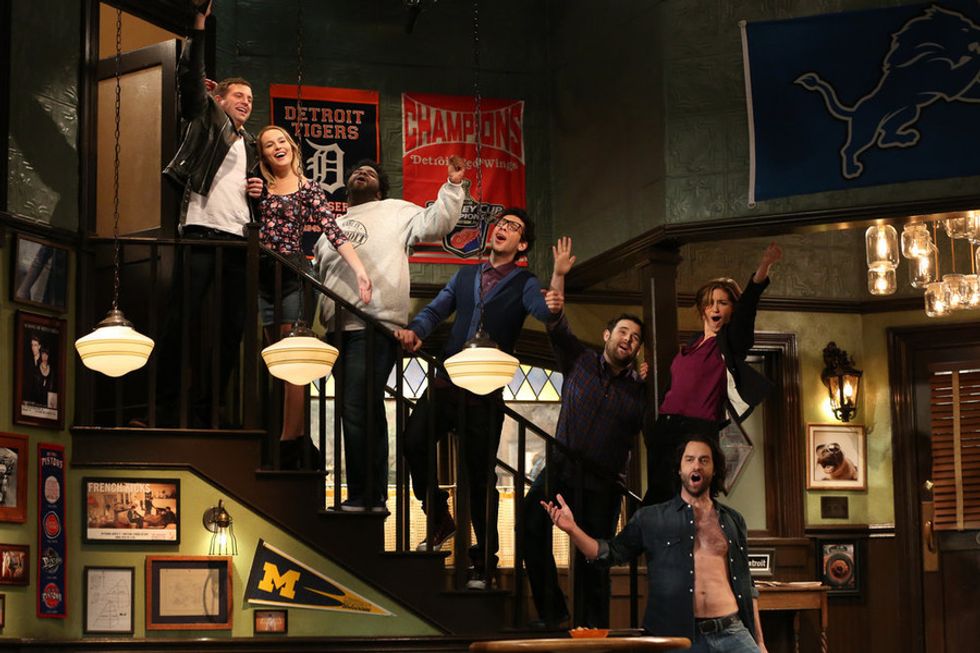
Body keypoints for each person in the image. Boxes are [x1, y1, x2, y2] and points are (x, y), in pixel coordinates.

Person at [393, 211, 566, 591]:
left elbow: (546, 312)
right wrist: (417, 331)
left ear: (522, 245)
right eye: (501, 223)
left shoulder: (524, 282)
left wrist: (557, 279)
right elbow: (437, 309)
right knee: (413, 440)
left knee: (479, 480)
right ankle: (439, 517)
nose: (503, 228)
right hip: (448, 382)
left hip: (485, 392)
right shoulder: (465, 275)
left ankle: (484, 564)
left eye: (513, 227)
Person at [314, 158, 466, 511]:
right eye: (356, 171)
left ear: (380, 189)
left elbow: (437, 223)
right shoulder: (331, 227)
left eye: (370, 172)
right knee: (358, 409)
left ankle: (367, 495)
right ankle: (371, 494)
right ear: (346, 188)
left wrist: (454, 186)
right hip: (337, 331)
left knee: (356, 407)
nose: (361, 172)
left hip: (375, 326)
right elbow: (321, 273)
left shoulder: (396, 211)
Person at [543, 435, 768, 652]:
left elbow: (746, 584)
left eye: (704, 460)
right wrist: (572, 529)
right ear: (679, 469)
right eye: (689, 459)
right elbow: (607, 553)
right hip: (679, 637)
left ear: (714, 469)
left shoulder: (733, 520)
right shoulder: (651, 518)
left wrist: (759, 642)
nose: (696, 466)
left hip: (732, 632)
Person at [149, 0, 257, 427]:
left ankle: (209, 407)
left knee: (231, 329)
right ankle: (164, 405)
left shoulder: (251, 146)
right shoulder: (207, 119)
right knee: (182, 320)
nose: (246, 102)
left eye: (250, 98)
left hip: (238, 242)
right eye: (238, 95)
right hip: (201, 231)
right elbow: (190, 80)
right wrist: (199, 24)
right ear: (219, 97)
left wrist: (259, 191)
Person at [523, 264, 648, 627]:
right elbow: (556, 324)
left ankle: (592, 632)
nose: (628, 339)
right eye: (623, 331)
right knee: (530, 526)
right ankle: (554, 614)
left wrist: (654, 380)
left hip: (603, 485)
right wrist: (558, 277)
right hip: (560, 470)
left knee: (594, 560)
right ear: (607, 335)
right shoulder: (579, 361)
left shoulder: (641, 392)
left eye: (635, 338)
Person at [248, 125, 372, 467]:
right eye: (269, 144)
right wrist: (250, 193)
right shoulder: (257, 186)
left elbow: (334, 231)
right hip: (262, 278)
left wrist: (360, 271)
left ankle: (289, 443)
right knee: (278, 362)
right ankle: (295, 436)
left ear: (292, 147)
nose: (277, 147)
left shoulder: (308, 188)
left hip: (293, 275)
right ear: (262, 155)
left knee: (292, 359)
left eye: (281, 141)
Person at [644, 243, 782, 506]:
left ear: (732, 309)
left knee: (687, 501)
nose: (716, 308)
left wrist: (764, 266)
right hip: (666, 425)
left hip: (697, 429)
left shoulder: (729, 342)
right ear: (702, 310)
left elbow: (748, 306)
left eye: (723, 303)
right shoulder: (692, 344)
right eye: (710, 303)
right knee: (656, 500)